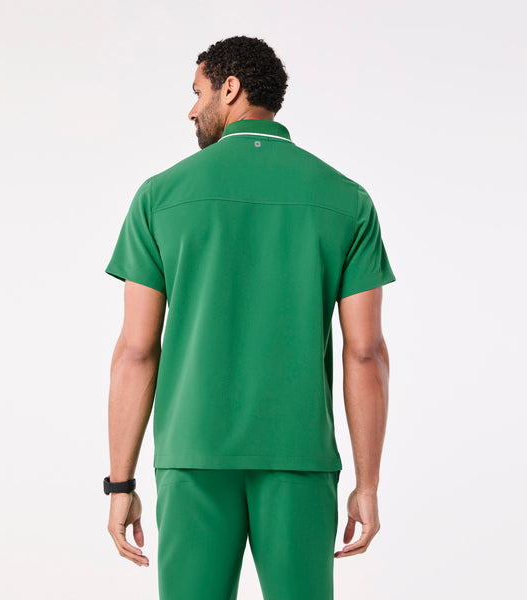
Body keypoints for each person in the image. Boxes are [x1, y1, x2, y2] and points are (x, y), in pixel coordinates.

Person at [103, 35, 396, 600]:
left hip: (192, 456)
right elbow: (366, 352)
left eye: (198, 92)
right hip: (300, 457)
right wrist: (368, 484)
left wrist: (120, 484)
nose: (192, 109)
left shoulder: (159, 197)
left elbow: (137, 351)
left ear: (230, 89)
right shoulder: (347, 199)